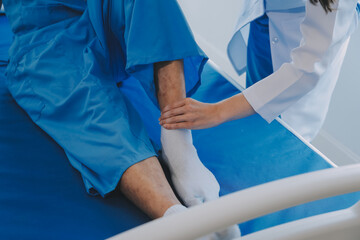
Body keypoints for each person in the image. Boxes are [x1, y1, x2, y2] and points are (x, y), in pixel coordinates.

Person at [1, 0, 240, 238]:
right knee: (90, 107)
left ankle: (177, 144)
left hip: (98, 14)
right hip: (45, 36)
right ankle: (176, 216)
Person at [160, 0, 360, 142]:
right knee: (254, 104)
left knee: (276, 139)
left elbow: (305, 71)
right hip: (265, 28)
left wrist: (218, 112)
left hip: (294, 75)